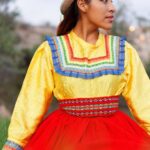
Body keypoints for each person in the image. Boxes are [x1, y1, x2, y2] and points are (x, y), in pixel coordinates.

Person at [2, 0, 150, 149]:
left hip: (115, 138)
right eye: (104, 1)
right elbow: (31, 102)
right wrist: (14, 143)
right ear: (82, 4)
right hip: (65, 139)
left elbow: (145, 101)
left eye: (112, 2)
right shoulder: (51, 50)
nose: (112, 8)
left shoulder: (123, 50)